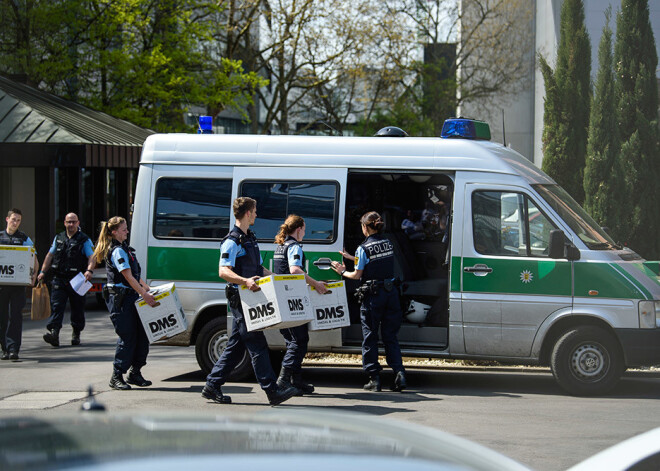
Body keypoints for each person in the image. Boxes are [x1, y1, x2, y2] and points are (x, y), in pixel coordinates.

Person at [202, 197, 297, 406]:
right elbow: (223, 271)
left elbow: (259, 269)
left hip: (250, 298)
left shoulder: (249, 238)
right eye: (254, 211)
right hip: (241, 300)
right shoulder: (232, 241)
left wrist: (276, 280)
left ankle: (212, 384)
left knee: (236, 347)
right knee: (257, 344)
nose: (256, 214)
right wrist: (244, 280)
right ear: (247, 213)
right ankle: (272, 391)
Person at [331, 211, 407, 392]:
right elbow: (376, 261)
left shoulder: (363, 248)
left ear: (365, 227)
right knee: (390, 337)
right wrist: (353, 258)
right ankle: (400, 374)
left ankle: (374, 379)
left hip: (373, 297)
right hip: (391, 295)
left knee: (370, 337)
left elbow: (357, 274)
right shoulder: (387, 242)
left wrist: (342, 271)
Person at [92, 216, 157, 390]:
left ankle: (135, 372)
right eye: (124, 229)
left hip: (131, 297)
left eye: (126, 228)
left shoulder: (125, 249)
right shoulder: (117, 251)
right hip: (120, 299)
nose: (127, 231)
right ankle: (117, 375)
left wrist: (146, 288)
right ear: (114, 232)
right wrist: (144, 293)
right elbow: (127, 276)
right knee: (127, 336)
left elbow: (135, 276)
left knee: (142, 335)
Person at [273, 215, 328, 395]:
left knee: (293, 341)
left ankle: (296, 381)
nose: (304, 232)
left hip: (282, 297)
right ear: (298, 229)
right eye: (304, 229)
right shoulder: (294, 246)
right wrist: (316, 284)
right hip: (291, 301)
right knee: (299, 341)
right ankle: (283, 380)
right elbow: (295, 270)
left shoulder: (281, 246)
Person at [38, 213, 96, 347]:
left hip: (77, 279)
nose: (71, 225)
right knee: (57, 306)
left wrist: (89, 270)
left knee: (77, 308)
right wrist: (42, 272)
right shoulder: (58, 238)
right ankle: (54, 333)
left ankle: (76, 333)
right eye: (69, 222)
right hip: (59, 278)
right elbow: (50, 255)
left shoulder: (84, 239)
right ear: (64, 223)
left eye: (73, 222)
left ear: (78, 223)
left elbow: (92, 257)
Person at [0, 209, 38, 361]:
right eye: (13, 219)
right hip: (1, 286)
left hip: (17, 286)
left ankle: (13, 349)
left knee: (15, 316)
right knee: (2, 317)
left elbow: (34, 256)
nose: (15, 222)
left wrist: (34, 276)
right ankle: (4, 348)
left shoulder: (24, 238)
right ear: (7, 219)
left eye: (18, 220)